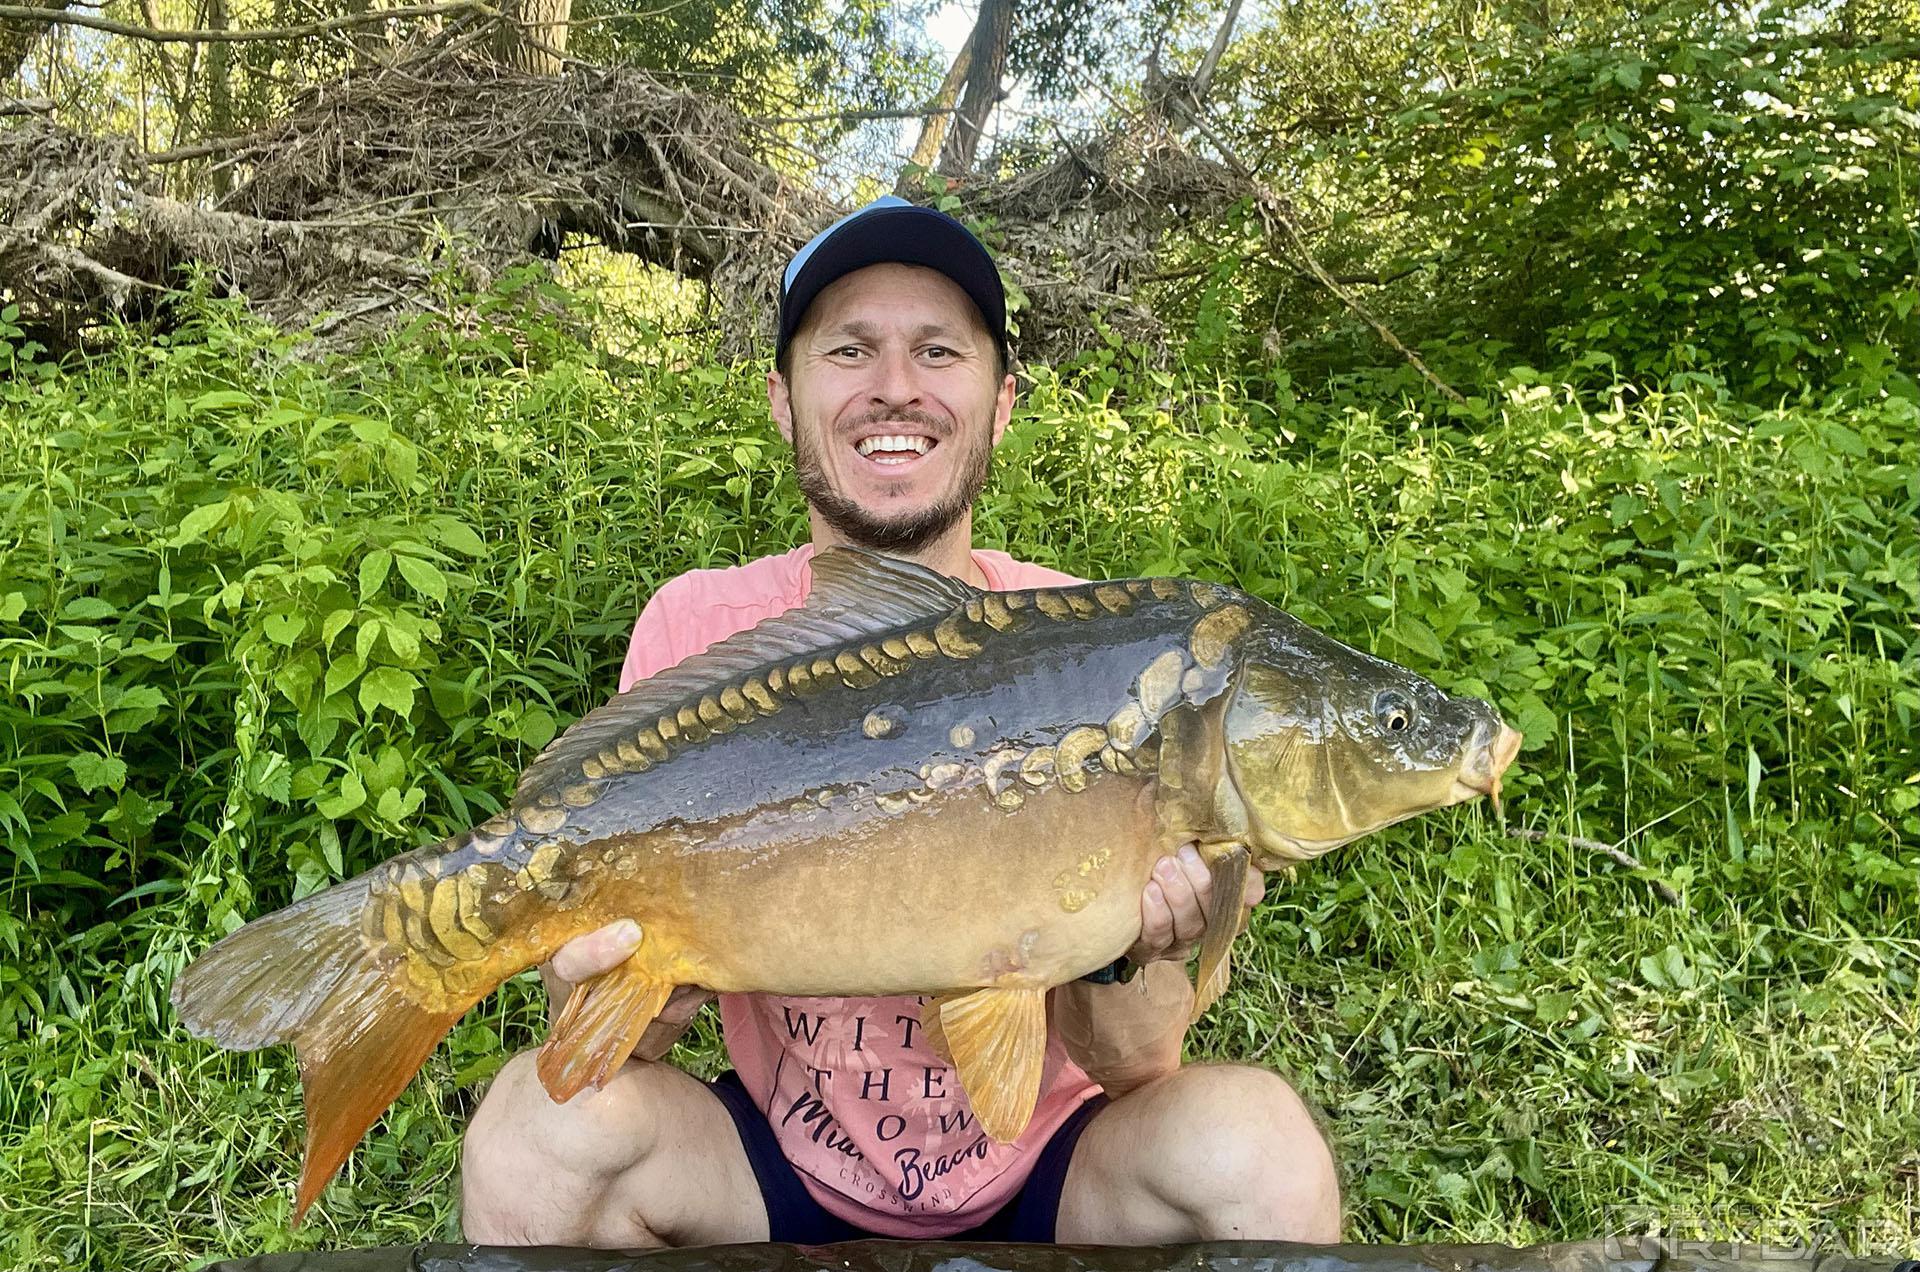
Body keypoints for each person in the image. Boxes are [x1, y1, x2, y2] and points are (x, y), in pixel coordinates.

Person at [461, 196, 1341, 1248]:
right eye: (850, 349)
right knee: (534, 1130)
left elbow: (1141, 1066)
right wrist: (621, 968)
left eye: (938, 350)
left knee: (1259, 1146)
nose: (895, 386)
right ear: (784, 399)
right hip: (776, 1168)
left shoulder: (1105, 657)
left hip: (1055, 1172)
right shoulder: (700, 632)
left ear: (1001, 402)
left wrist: (1120, 950)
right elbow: (620, 1048)